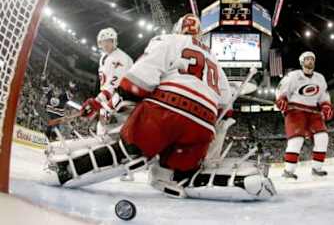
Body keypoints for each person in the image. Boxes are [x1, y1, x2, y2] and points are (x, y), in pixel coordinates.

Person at [43, 14, 275, 201]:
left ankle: (66, 170)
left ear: (177, 29)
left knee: (129, 149)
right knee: (181, 169)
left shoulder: (168, 40)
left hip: (165, 111)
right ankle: (175, 177)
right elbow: (226, 110)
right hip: (202, 126)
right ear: (200, 34)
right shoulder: (215, 60)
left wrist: (111, 103)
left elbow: (139, 79)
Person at [275, 51, 334, 180]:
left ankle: (317, 168)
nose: (310, 61)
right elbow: (281, 89)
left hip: (314, 111)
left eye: (312, 59)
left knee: (323, 137)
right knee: (297, 140)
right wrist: (281, 98)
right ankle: (288, 171)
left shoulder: (320, 78)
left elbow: (324, 96)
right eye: (307, 59)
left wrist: (326, 105)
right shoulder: (293, 76)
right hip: (295, 111)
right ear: (302, 62)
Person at [82, 27, 133, 136]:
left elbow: (114, 84)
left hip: (121, 98)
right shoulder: (104, 57)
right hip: (110, 98)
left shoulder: (121, 58)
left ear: (115, 41)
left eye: (109, 41)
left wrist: (97, 101)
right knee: (102, 128)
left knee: (112, 130)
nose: (106, 44)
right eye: (103, 42)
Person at [41, 76, 76, 141]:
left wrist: (71, 87)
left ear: (61, 92)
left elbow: (71, 94)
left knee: (55, 130)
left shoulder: (63, 97)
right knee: (48, 128)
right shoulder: (50, 94)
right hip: (49, 116)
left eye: (58, 90)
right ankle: (46, 139)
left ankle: (54, 139)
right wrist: (44, 80)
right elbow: (45, 88)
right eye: (55, 90)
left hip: (57, 117)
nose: (56, 91)